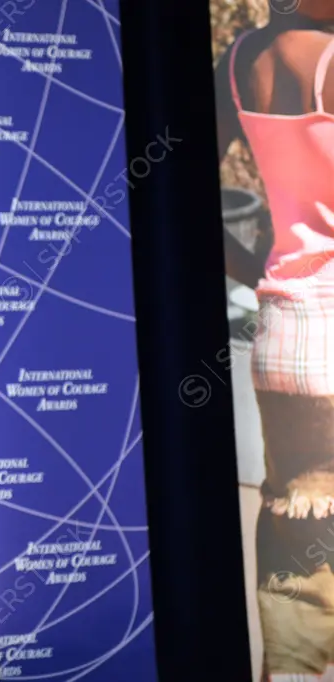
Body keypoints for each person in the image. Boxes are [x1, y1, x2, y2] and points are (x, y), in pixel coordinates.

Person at [214, 2, 334, 679]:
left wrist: (255, 269)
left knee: (297, 529)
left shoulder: (240, 63)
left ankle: (292, 666)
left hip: (284, 330)